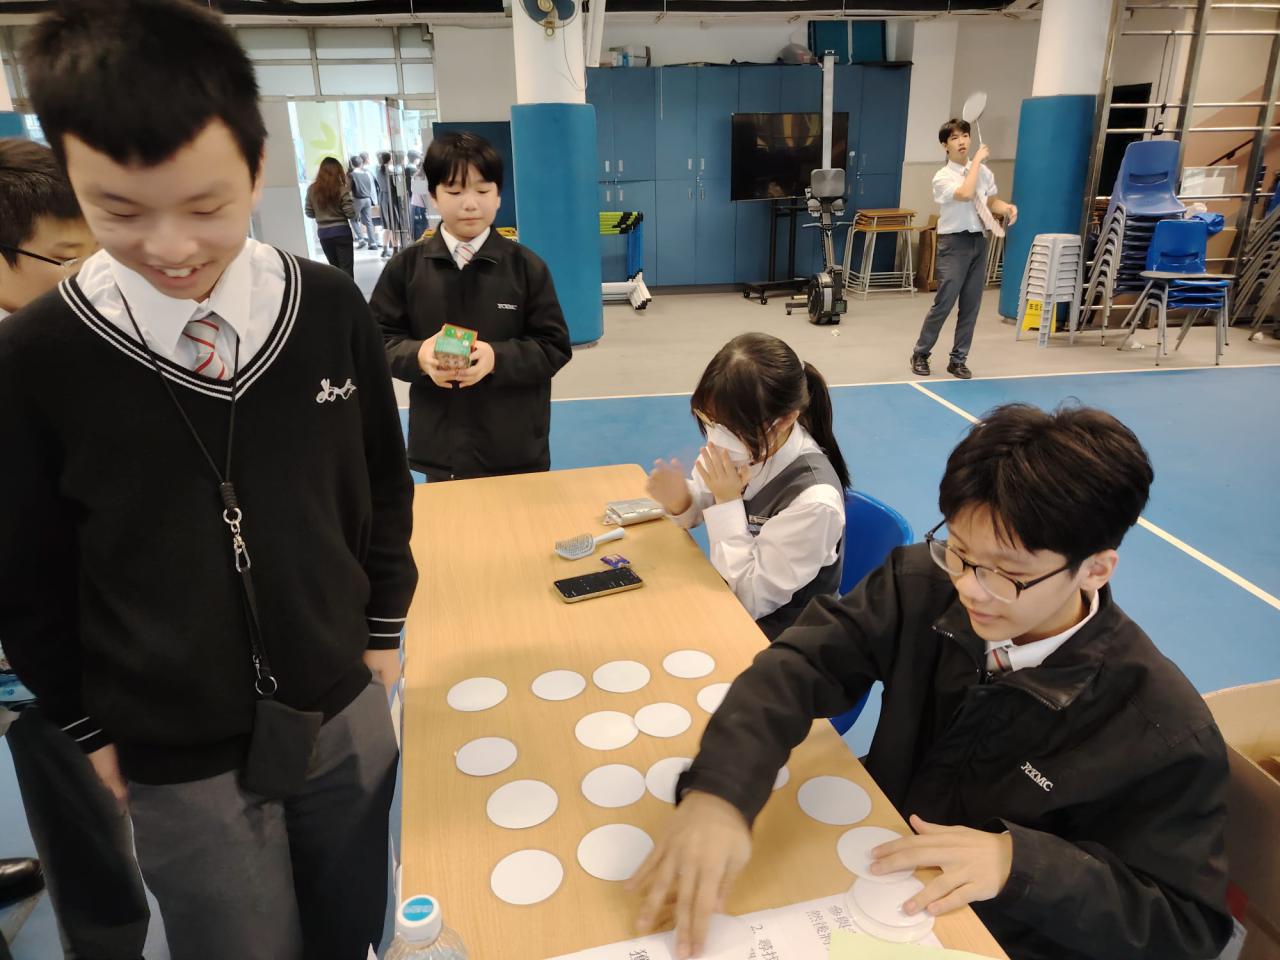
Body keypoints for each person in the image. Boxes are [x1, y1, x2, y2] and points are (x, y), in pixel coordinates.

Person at [0, 3, 418, 959]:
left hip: (344, 700)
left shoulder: (328, 307)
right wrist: (83, 724)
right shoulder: (37, 357)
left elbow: (380, 479)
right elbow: (26, 567)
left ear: (257, 167)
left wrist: (383, 631)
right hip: (173, 752)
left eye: (204, 208)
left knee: (354, 926)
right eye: (118, 212)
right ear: (73, 181)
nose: (171, 248)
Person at [630, 403, 1233, 960]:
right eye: (960, 551)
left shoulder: (1161, 728)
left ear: (1095, 569)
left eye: (1007, 574)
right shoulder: (923, 585)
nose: (971, 588)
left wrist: (1019, 863)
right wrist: (721, 792)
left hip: (992, 934)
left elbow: (1187, 927)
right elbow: (799, 666)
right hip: (873, 869)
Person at [0, 136, 151, 960]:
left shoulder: (73, 334)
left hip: (80, 630)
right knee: (83, 812)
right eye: (65, 257)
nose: (91, 273)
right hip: (37, 656)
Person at [372, 131, 572, 481]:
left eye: (482, 191)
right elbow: (377, 340)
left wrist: (496, 358)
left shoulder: (527, 268)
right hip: (442, 448)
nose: (470, 204)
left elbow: (553, 346)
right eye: (454, 191)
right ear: (433, 196)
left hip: (514, 447)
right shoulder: (406, 268)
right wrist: (418, 355)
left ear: (498, 196)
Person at [646, 333, 849, 639]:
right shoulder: (745, 446)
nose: (717, 436)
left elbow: (748, 598)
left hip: (789, 644)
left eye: (732, 427)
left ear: (785, 420)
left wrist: (728, 502)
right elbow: (706, 498)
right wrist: (683, 501)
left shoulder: (815, 503)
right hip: (733, 615)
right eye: (710, 420)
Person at [910, 119, 1017, 380]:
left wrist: (1006, 208)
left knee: (971, 305)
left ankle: (958, 360)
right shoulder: (942, 177)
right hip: (953, 243)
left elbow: (989, 200)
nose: (962, 141)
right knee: (944, 303)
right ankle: (920, 353)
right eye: (955, 138)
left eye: (965, 136)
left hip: (979, 240)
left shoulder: (983, 172)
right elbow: (966, 193)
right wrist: (977, 162)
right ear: (944, 145)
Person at [305, 156, 356, 278]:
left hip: (324, 234)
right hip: (342, 233)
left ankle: (337, 290)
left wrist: (321, 214)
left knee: (334, 270)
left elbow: (309, 213)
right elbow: (350, 214)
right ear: (338, 171)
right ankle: (348, 291)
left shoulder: (312, 189)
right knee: (346, 269)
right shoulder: (342, 189)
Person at [347, 155, 377, 250]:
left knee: (353, 219)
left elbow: (348, 188)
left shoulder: (351, 175)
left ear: (352, 164)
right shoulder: (366, 173)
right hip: (368, 199)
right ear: (361, 164)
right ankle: (373, 243)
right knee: (369, 221)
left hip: (357, 199)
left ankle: (361, 239)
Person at [406, 148, 429, 241]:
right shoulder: (420, 177)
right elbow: (423, 196)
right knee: (422, 231)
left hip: (416, 206)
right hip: (420, 208)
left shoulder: (417, 175)